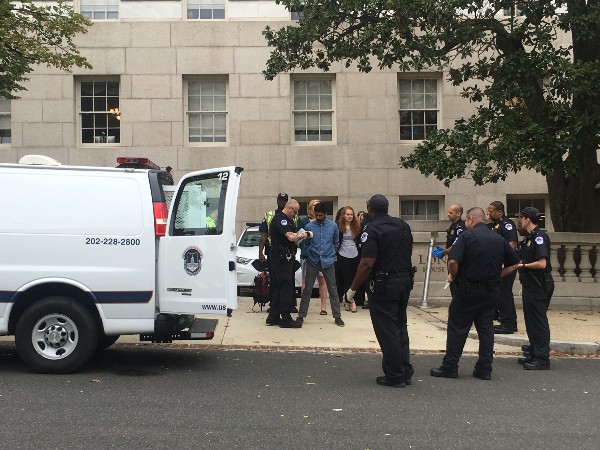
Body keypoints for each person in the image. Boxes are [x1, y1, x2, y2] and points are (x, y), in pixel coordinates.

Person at [430, 207, 520, 380]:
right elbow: (515, 263)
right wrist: (497, 276)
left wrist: (454, 276)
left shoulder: (466, 236)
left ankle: (450, 366)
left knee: (457, 327)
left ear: (470, 219)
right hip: (490, 291)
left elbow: (454, 260)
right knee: (486, 330)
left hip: (467, 289)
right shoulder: (498, 239)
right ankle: (484, 368)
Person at [346, 194, 415, 388]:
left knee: (387, 330)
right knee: (400, 326)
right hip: (404, 281)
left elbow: (367, 263)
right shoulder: (403, 226)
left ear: (370, 210)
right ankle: (405, 371)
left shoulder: (371, 229)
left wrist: (353, 289)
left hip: (384, 284)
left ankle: (394, 375)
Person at [512, 207, 554, 370]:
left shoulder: (539, 237)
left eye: (521, 218)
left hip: (539, 284)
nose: (519, 221)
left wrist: (522, 265)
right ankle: (534, 352)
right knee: (531, 320)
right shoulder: (528, 238)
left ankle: (542, 358)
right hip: (531, 284)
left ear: (528, 219)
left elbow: (542, 263)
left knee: (538, 321)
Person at [296, 202, 345, 327]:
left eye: (321, 215)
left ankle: (337, 316)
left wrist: (331, 254)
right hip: (313, 260)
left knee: (333, 289)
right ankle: (301, 316)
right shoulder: (309, 226)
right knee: (307, 289)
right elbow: (305, 243)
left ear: (325, 214)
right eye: (316, 215)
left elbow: (336, 242)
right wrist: (311, 251)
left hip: (328, 261)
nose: (318, 217)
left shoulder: (333, 226)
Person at [265, 199, 309, 328]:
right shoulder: (281, 219)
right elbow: (291, 237)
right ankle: (285, 317)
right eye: (295, 212)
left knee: (278, 287)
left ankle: (273, 316)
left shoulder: (288, 220)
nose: (295, 215)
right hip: (281, 258)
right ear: (289, 208)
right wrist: (305, 235)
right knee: (285, 287)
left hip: (283, 257)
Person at [487, 201, 519, 334]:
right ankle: (506, 320)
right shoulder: (493, 226)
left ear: (500, 212)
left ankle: (508, 324)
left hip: (507, 264)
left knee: (504, 292)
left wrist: (502, 260)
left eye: (491, 211)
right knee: (499, 292)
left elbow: (512, 243)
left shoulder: (507, 224)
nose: (488, 213)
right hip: (497, 263)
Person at [299, 199, 329, 314]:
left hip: (321, 257)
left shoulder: (326, 223)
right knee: (305, 281)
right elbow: (300, 238)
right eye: (314, 206)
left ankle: (323, 307)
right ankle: (304, 306)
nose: (317, 208)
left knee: (322, 280)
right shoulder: (304, 222)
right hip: (307, 256)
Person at [335, 206, 361, 312]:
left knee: (354, 278)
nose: (350, 216)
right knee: (346, 278)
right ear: (343, 216)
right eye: (347, 214)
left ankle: (350, 299)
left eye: (351, 214)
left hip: (354, 253)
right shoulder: (338, 226)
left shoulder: (357, 226)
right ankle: (349, 301)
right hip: (342, 253)